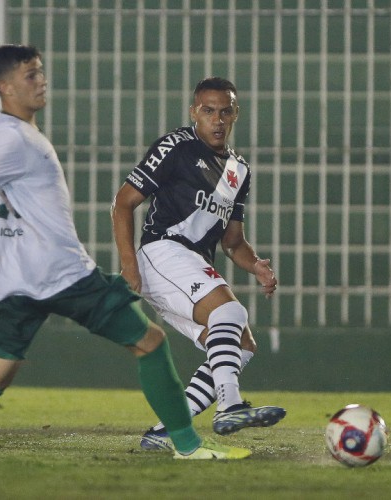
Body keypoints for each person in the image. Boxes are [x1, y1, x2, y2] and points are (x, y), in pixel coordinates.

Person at [0, 45, 251, 460]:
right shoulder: (15, 140)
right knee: (151, 342)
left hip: (22, 281)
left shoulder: (3, 131)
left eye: (40, 72)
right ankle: (187, 444)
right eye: (31, 75)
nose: (42, 80)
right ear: (5, 86)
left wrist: (6, 264)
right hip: (66, 274)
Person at [111, 77, 286, 451]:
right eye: (208, 111)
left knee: (241, 344)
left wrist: (255, 265)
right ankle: (229, 406)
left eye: (225, 111)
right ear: (195, 112)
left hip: (192, 264)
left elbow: (233, 242)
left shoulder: (238, 170)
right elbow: (123, 202)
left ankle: (164, 432)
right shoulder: (176, 147)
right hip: (163, 252)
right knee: (230, 313)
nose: (217, 119)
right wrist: (129, 264)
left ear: (236, 113)